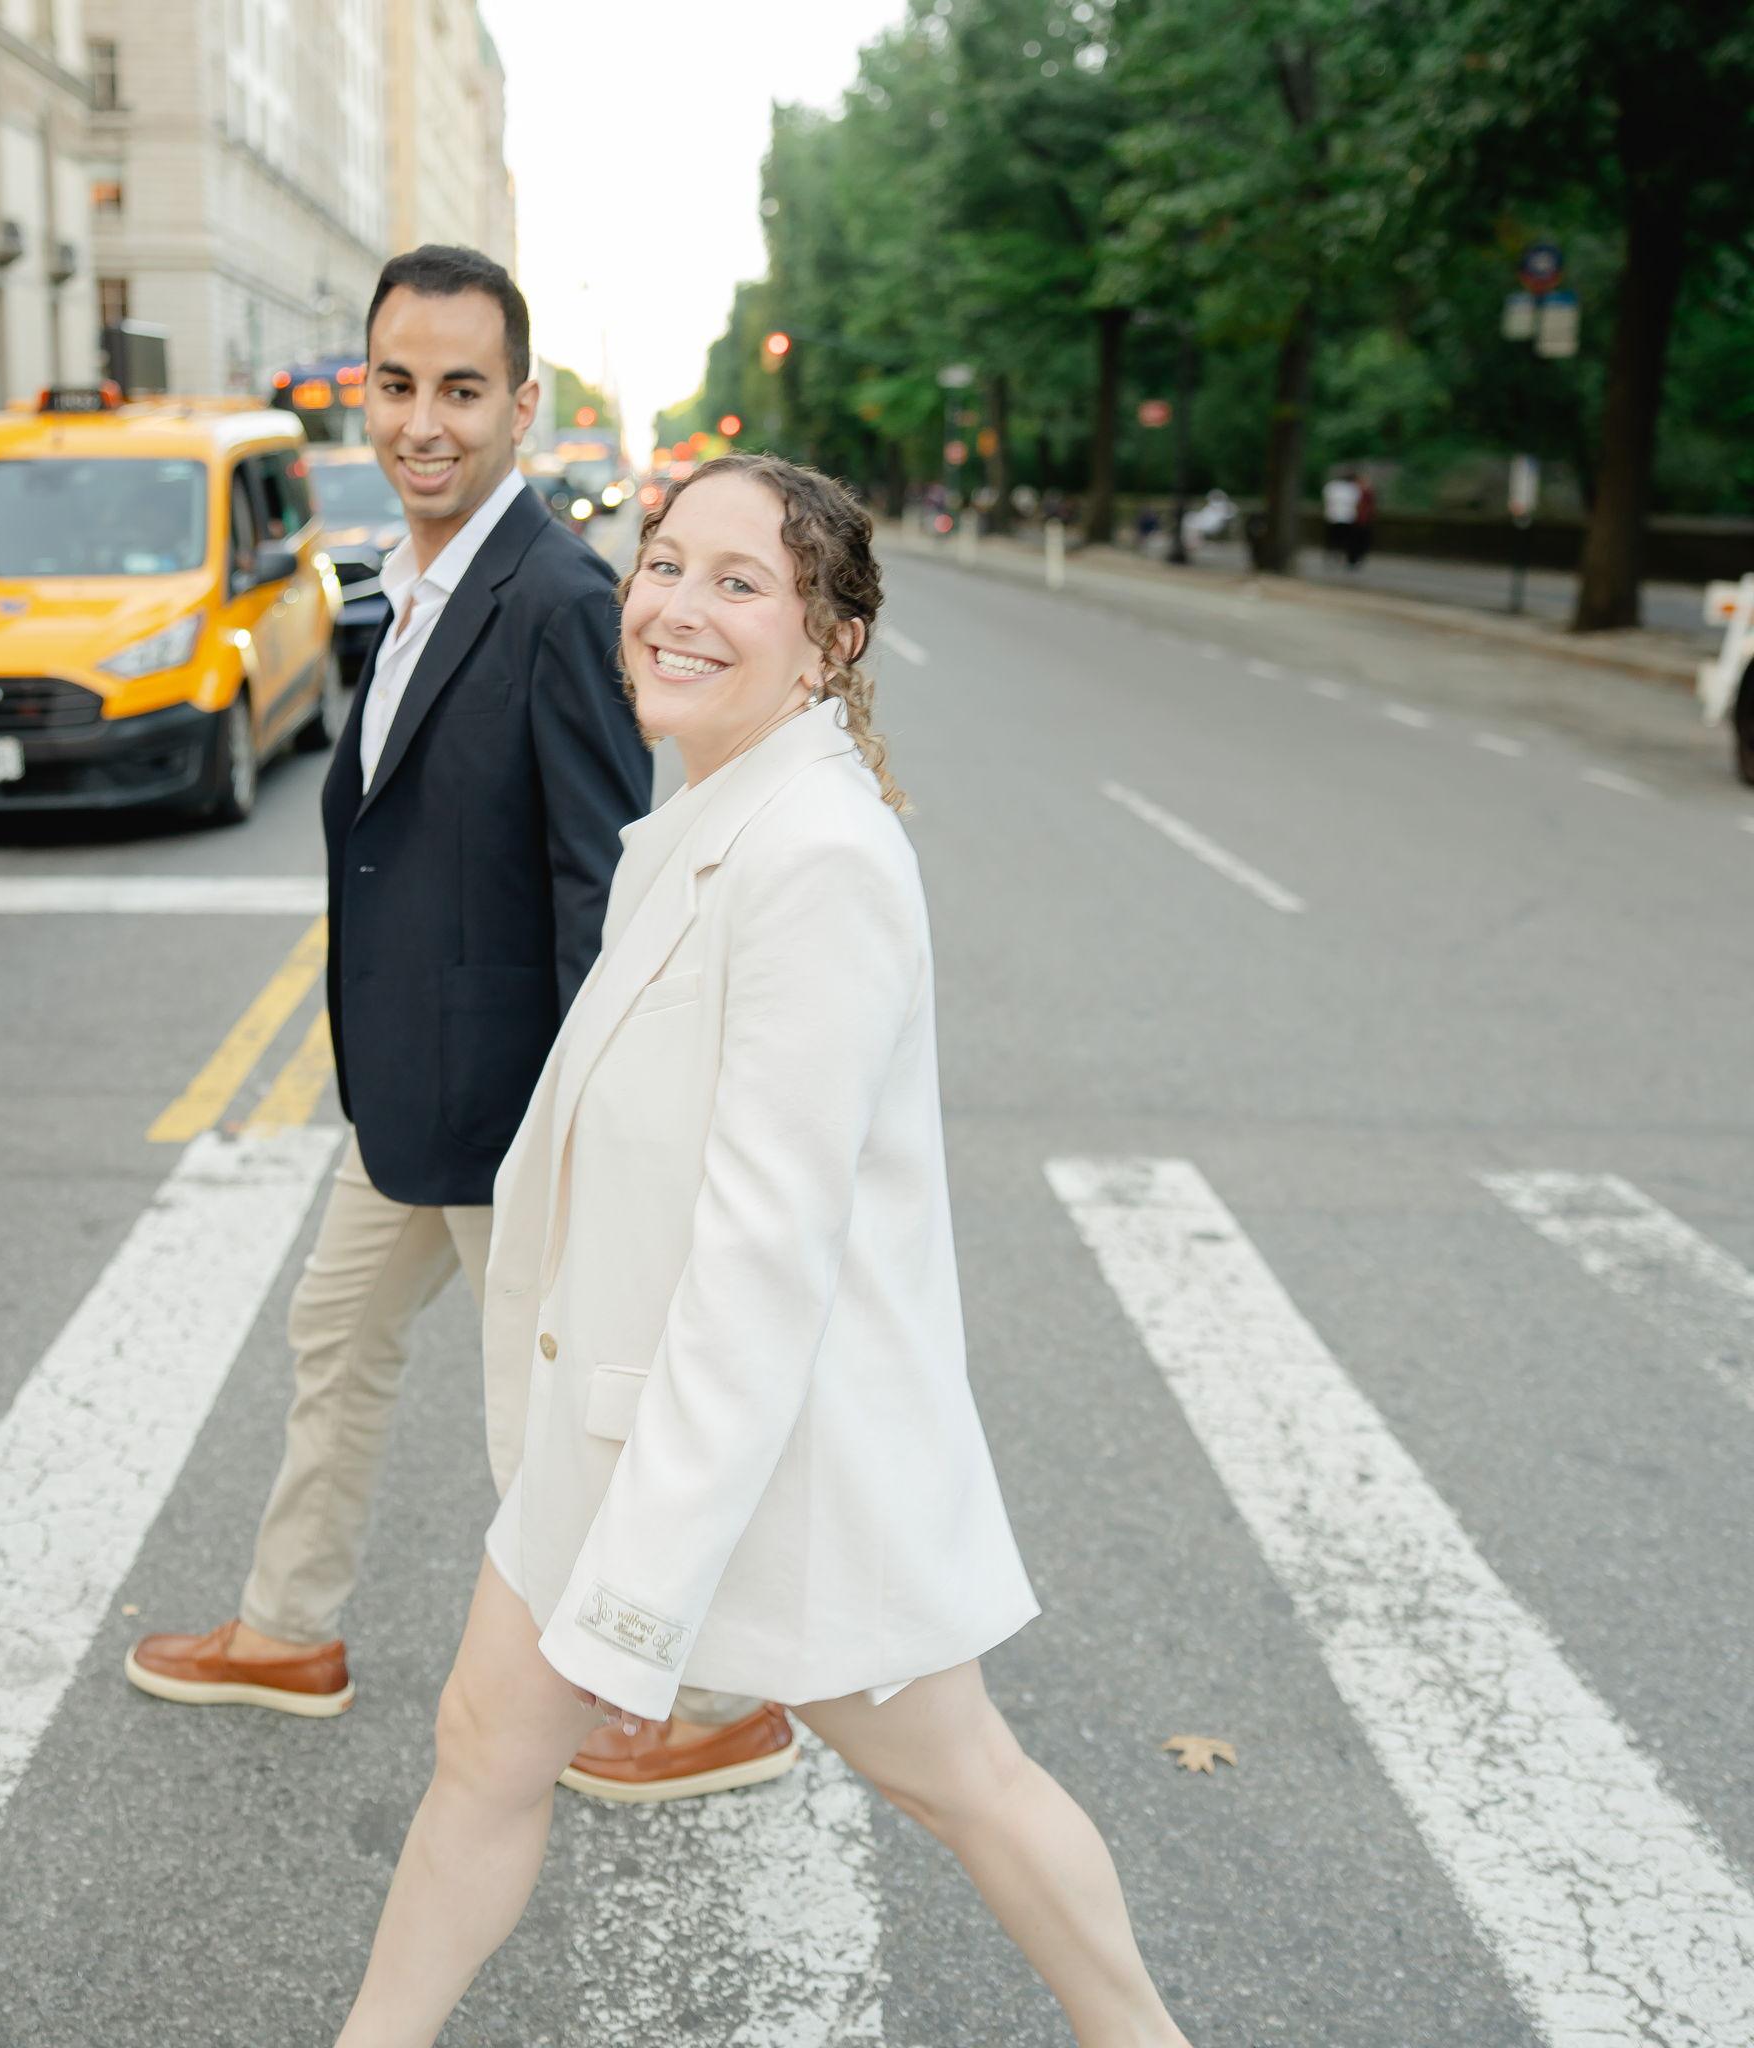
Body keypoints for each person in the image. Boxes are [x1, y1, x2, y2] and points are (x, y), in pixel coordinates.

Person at [331, 453, 1197, 2048]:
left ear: (830, 642)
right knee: (483, 1748)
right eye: (664, 564)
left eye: (740, 583)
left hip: (772, 1466)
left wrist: (641, 1602)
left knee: (965, 1783)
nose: (675, 606)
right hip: (623, 1429)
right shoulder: (709, 814)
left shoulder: (821, 861)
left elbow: (762, 1257)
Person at [125, 250, 790, 1802]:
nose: (424, 421)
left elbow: (598, 878)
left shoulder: (555, 598)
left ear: (521, 405)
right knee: (336, 1338)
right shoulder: (414, 584)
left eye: (462, 390)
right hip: (411, 1096)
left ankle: (705, 1696)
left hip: (514, 1108)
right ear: (366, 393)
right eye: (398, 385)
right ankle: (290, 1629)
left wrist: (591, 1128)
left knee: (555, 1411)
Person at [1322, 468, 1360, 568]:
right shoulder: (1352, 488)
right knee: (1341, 539)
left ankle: (1334, 556)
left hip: (1337, 516)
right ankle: (1337, 557)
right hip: (1342, 517)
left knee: (1334, 539)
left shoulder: (1333, 486)